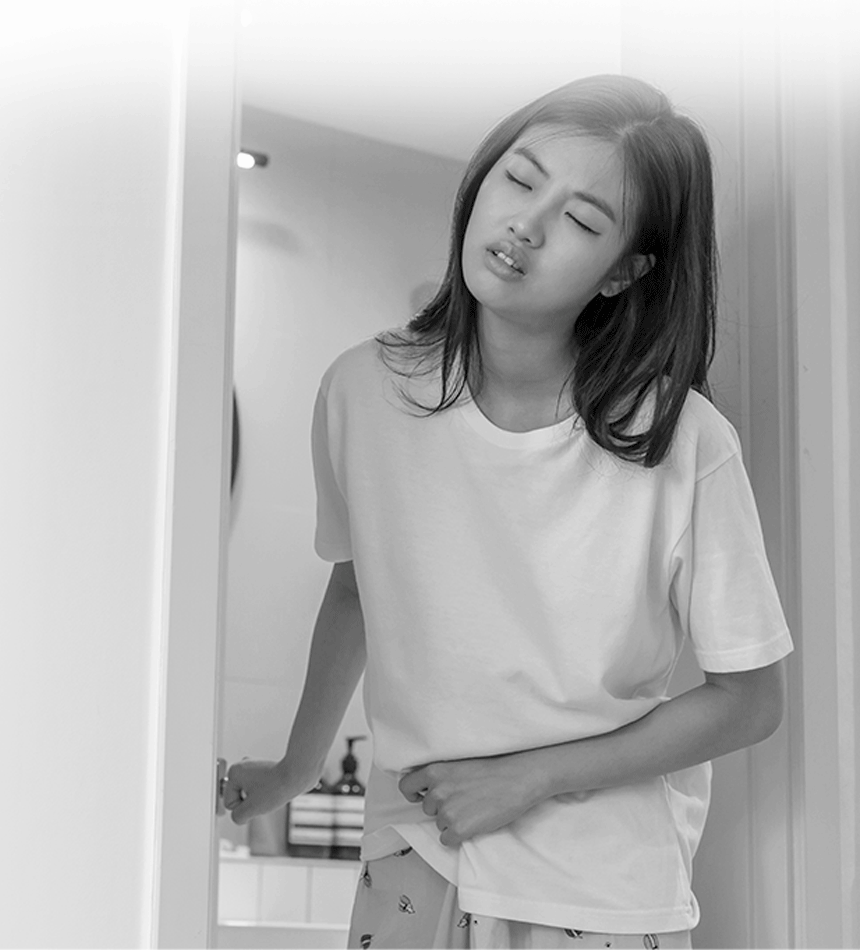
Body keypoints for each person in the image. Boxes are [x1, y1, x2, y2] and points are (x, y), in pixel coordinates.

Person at [222, 74, 794, 949]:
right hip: (415, 848)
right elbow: (357, 588)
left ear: (625, 270)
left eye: (583, 220)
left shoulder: (683, 442)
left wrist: (529, 777)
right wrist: (295, 768)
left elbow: (749, 701)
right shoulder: (361, 390)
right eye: (521, 179)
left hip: (598, 886)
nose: (526, 223)